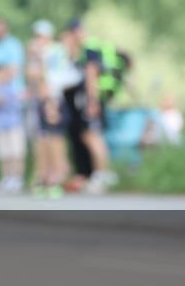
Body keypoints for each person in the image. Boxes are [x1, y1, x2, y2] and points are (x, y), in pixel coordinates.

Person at [61, 19, 118, 194]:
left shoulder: (89, 51)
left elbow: (91, 75)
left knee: (92, 136)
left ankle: (102, 174)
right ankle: (89, 174)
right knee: (85, 137)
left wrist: (92, 101)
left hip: (88, 99)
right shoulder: (75, 52)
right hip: (79, 100)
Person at [28, 20, 75, 197]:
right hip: (41, 100)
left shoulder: (55, 51)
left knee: (55, 139)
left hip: (52, 99)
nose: (39, 40)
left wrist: (51, 102)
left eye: (42, 36)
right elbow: (33, 76)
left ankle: (56, 178)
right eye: (37, 36)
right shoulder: (37, 54)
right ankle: (44, 178)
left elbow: (53, 79)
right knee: (43, 140)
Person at [0, 64, 27, 193]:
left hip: (13, 124)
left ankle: (17, 178)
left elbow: (20, 104)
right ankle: (7, 177)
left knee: (16, 152)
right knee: (3, 153)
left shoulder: (13, 87)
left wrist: (7, 100)